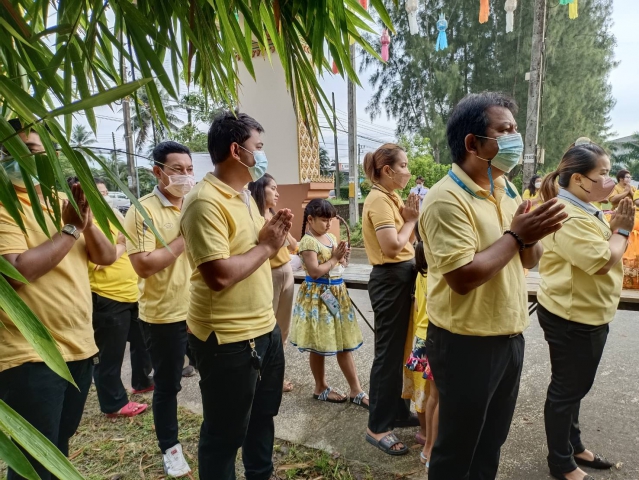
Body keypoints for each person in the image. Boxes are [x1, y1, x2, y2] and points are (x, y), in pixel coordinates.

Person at [419, 92, 568, 480]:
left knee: (490, 443)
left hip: (508, 337)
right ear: (473, 143)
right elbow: (462, 277)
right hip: (465, 344)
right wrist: (517, 236)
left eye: (515, 129)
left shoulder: (506, 189)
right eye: (505, 130)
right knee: (457, 451)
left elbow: (527, 260)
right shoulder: (446, 199)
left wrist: (532, 234)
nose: (516, 138)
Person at [0, 120, 117, 480]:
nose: (20, 159)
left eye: (32, 151)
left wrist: (86, 221)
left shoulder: (60, 201)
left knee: (59, 447)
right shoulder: (4, 204)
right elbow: (15, 271)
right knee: (35, 462)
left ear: (50, 156)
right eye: (9, 152)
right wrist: (70, 229)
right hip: (30, 353)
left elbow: (106, 256)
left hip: (78, 347)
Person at [180, 111, 291, 480]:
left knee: (262, 418)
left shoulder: (243, 196)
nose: (263, 154)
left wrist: (274, 239)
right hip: (228, 340)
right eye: (258, 147)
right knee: (225, 434)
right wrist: (267, 246)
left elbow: (257, 252)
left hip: (264, 329)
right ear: (235, 150)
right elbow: (219, 275)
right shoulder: (204, 202)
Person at [537, 139, 633, 480]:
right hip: (572, 316)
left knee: (574, 387)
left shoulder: (582, 207)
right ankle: (560, 462)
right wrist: (622, 230)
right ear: (578, 179)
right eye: (602, 174)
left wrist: (614, 228)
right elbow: (601, 261)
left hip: (584, 311)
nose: (609, 181)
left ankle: (573, 445)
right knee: (566, 390)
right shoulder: (565, 214)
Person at [124, 141, 195, 477]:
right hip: (165, 315)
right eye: (177, 169)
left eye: (190, 169)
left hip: (203, 311)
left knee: (215, 377)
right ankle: (170, 448)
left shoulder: (195, 204)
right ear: (157, 171)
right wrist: (185, 237)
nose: (185, 176)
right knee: (168, 386)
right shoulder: (143, 211)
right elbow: (144, 265)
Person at [362, 143, 420, 456]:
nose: (407, 171)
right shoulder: (379, 200)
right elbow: (392, 246)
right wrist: (410, 220)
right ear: (387, 170)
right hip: (389, 279)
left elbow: (408, 241)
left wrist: (411, 220)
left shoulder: (391, 197)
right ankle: (378, 427)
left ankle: (397, 411)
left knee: (400, 351)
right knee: (387, 355)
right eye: (404, 166)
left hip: (402, 276)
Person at [290, 199, 368, 408]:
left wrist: (343, 258)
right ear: (310, 219)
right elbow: (315, 272)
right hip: (318, 296)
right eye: (324, 220)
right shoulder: (307, 242)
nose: (328, 224)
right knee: (318, 345)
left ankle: (356, 389)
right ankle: (320, 387)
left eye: (330, 220)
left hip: (336, 293)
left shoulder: (331, 237)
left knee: (344, 342)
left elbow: (340, 264)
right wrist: (335, 258)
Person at [90, 178, 152, 418]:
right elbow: (100, 259)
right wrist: (121, 246)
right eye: (98, 193)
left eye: (105, 192)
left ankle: (142, 380)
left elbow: (124, 243)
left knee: (142, 341)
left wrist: (120, 245)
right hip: (107, 296)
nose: (104, 197)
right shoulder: (87, 225)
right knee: (111, 354)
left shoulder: (113, 217)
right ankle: (113, 403)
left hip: (131, 292)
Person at [248, 173, 298, 392]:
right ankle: (264, 378)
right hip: (270, 274)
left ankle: (276, 376)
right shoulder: (254, 217)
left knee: (283, 329)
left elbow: (293, 245)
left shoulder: (274, 216)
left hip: (287, 272)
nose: (277, 193)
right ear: (260, 189)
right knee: (268, 328)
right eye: (273, 188)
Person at [401, 225, 431, 455]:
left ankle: (424, 431)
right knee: (432, 394)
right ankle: (428, 433)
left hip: (419, 338)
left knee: (421, 391)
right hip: (431, 338)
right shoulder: (436, 277)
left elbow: (416, 307)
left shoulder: (420, 274)